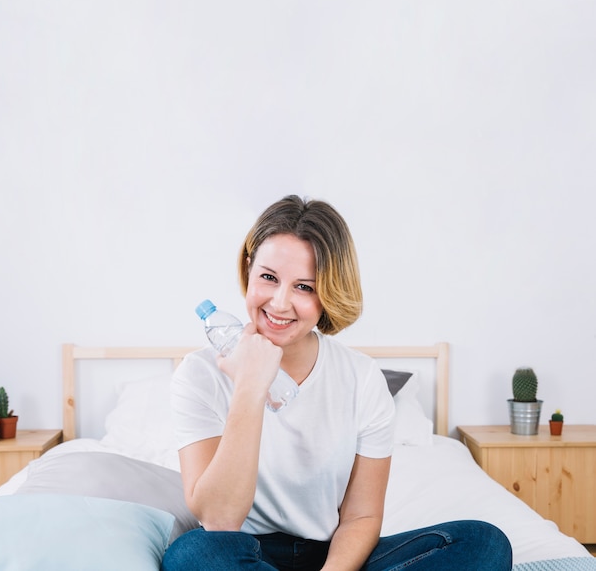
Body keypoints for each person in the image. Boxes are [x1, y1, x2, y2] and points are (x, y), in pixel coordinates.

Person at [163, 195, 512, 571]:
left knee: (483, 543)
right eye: (268, 277)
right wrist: (250, 385)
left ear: (328, 291)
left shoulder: (361, 377)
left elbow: (361, 519)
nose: (280, 304)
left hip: (336, 557)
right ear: (248, 268)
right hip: (242, 553)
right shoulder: (198, 374)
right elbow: (219, 520)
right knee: (193, 555)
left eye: (304, 287)